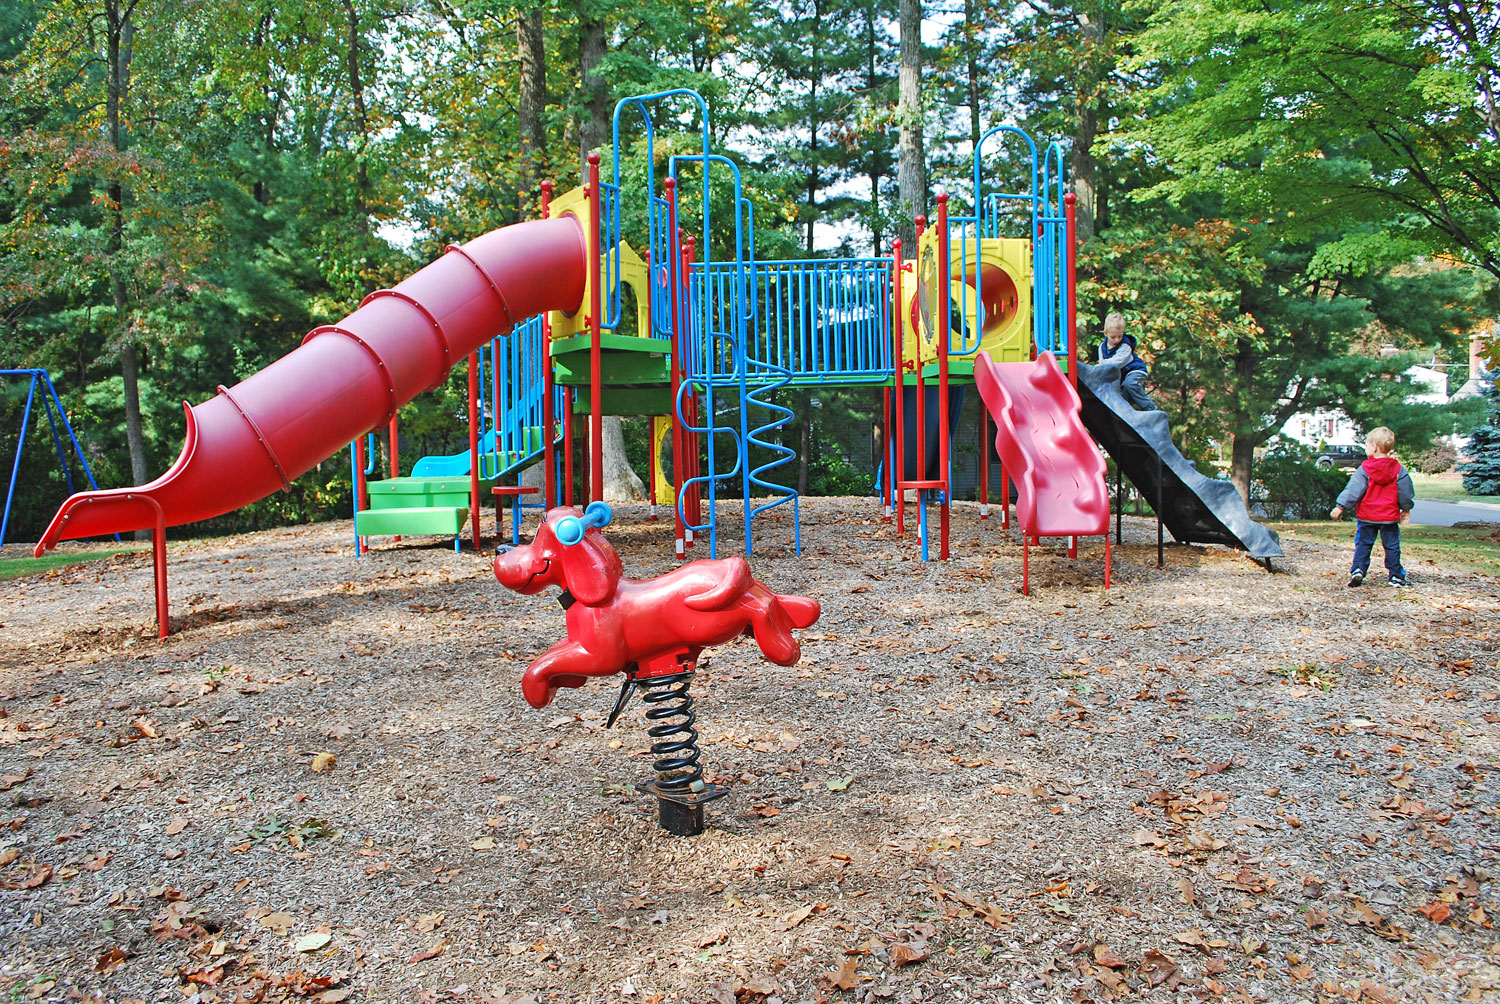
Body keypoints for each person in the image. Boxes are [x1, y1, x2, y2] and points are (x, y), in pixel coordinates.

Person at [1329, 426, 1414, 587]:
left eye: (1367, 445)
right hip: (1389, 516)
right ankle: (1395, 575)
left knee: (1363, 544)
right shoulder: (1398, 469)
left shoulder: (1365, 469)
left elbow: (1353, 490)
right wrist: (1406, 509)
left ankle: (1358, 570)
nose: (1366, 448)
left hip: (1367, 515)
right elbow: (1405, 492)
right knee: (1392, 546)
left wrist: (1340, 506)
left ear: (1374, 447)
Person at [1097, 312, 1157, 411]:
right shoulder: (1102, 347)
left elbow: (1117, 363)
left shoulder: (1125, 345)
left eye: (1120, 336)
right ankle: (1126, 412)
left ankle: (1149, 407)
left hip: (1135, 370)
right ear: (1106, 333)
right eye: (1113, 337)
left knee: (1130, 384)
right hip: (1122, 376)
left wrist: (1101, 365)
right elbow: (1104, 369)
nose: (1117, 340)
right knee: (1121, 396)